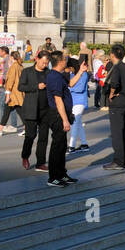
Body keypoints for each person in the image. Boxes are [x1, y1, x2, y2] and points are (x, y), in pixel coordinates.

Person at [42, 52, 76, 186]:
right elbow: (58, 100)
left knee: (62, 145)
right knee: (57, 145)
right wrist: (65, 120)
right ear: (61, 61)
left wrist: (82, 71)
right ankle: (53, 177)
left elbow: (71, 83)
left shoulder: (58, 75)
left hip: (61, 114)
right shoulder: (54, 77)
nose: (67, 60)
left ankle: (62, 173)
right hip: (57, 115)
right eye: (65, 58)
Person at [18, 50, 52, 172]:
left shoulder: (49, 73)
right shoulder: (27, 71)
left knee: (44, 137)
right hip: (31, 108)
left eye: (47, 63)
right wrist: (36, 87)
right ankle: (25, 156)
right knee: (30, 136)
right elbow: (20, 87)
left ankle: (40, 163)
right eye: (43, 62)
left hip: (45, 110)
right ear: (37, 59)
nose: (44, 65)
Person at [105, 44, 125, 168]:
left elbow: (115, 83)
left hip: (118, 103)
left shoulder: (117, 67)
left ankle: (118, 161)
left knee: (117, 132)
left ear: (112, 54)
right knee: (123, 132)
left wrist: (111, 94)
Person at [67, 55, 92, 151]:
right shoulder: (73, 74)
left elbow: (80, 88)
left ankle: (71, 146)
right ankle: (84, 144)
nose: (69, 70)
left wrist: (69, 88)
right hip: (74, 101)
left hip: (80, 101)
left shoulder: (83, 74)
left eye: (70, 68)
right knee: (78, 123)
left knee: (74, 123)